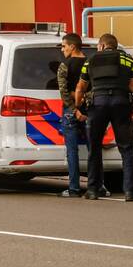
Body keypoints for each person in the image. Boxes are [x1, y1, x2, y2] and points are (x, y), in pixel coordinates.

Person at [74, 33, 133, 202]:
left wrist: (79, 107)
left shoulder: (91, 60)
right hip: (121, 104)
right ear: (115, 46)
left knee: (94, 147)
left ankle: (92, 189)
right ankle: (130, 192)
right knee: (127, 149)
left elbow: (80, 88)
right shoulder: (128, 60)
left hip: (98, 105)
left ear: (102, 46)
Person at [57, 32, 87, 197]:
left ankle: (74, 188)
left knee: (72, 151)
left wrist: (74, 110)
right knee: (94, 150)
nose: (62, 49)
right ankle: (98, 186)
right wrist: (85, 110)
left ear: (72, 46)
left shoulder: (64, 66)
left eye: (64, 46)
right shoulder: (90, 63)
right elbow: (93, 89)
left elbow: (63, 91)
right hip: (90, 112)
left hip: (71, 112)